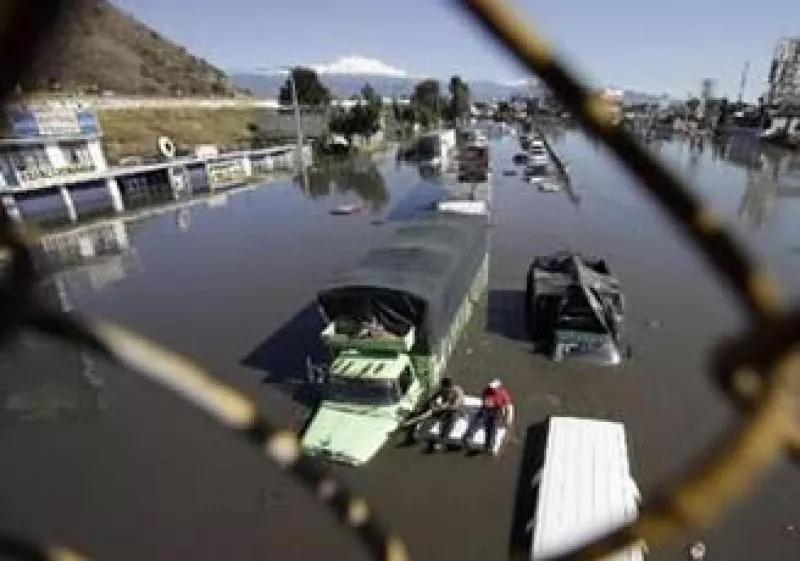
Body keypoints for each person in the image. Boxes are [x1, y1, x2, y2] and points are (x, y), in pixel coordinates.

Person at [477, 379, 513, 455]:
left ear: (498, 387)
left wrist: (506, 418)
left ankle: (491, 444)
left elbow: (507, 406)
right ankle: (487, 444)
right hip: (488, 409)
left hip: (497, 410)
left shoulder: (503, 394)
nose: (491, 389)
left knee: (493, 427)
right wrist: (486, 406)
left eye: (493, 388)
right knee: (487, 427)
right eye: (491, 387)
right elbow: (484, 399)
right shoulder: (487, 391)